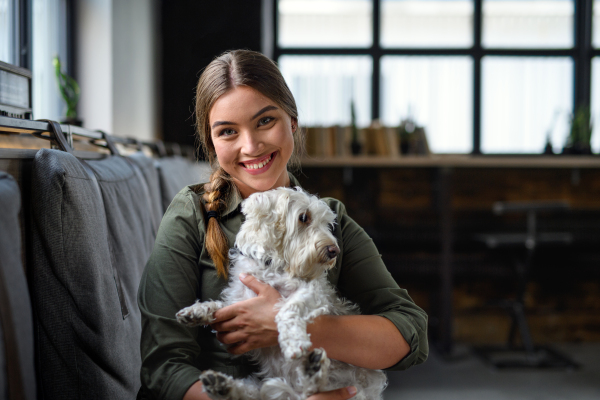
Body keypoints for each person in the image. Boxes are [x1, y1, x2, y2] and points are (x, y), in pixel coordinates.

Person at [137, 50, 428, 400]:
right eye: (228, 131)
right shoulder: (192, 214)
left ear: (292, 121)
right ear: (212, 142)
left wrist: (295, 325)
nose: (251, 146)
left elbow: (411, 336)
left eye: (264, 121)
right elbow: (163, 366)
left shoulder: (333, 220)